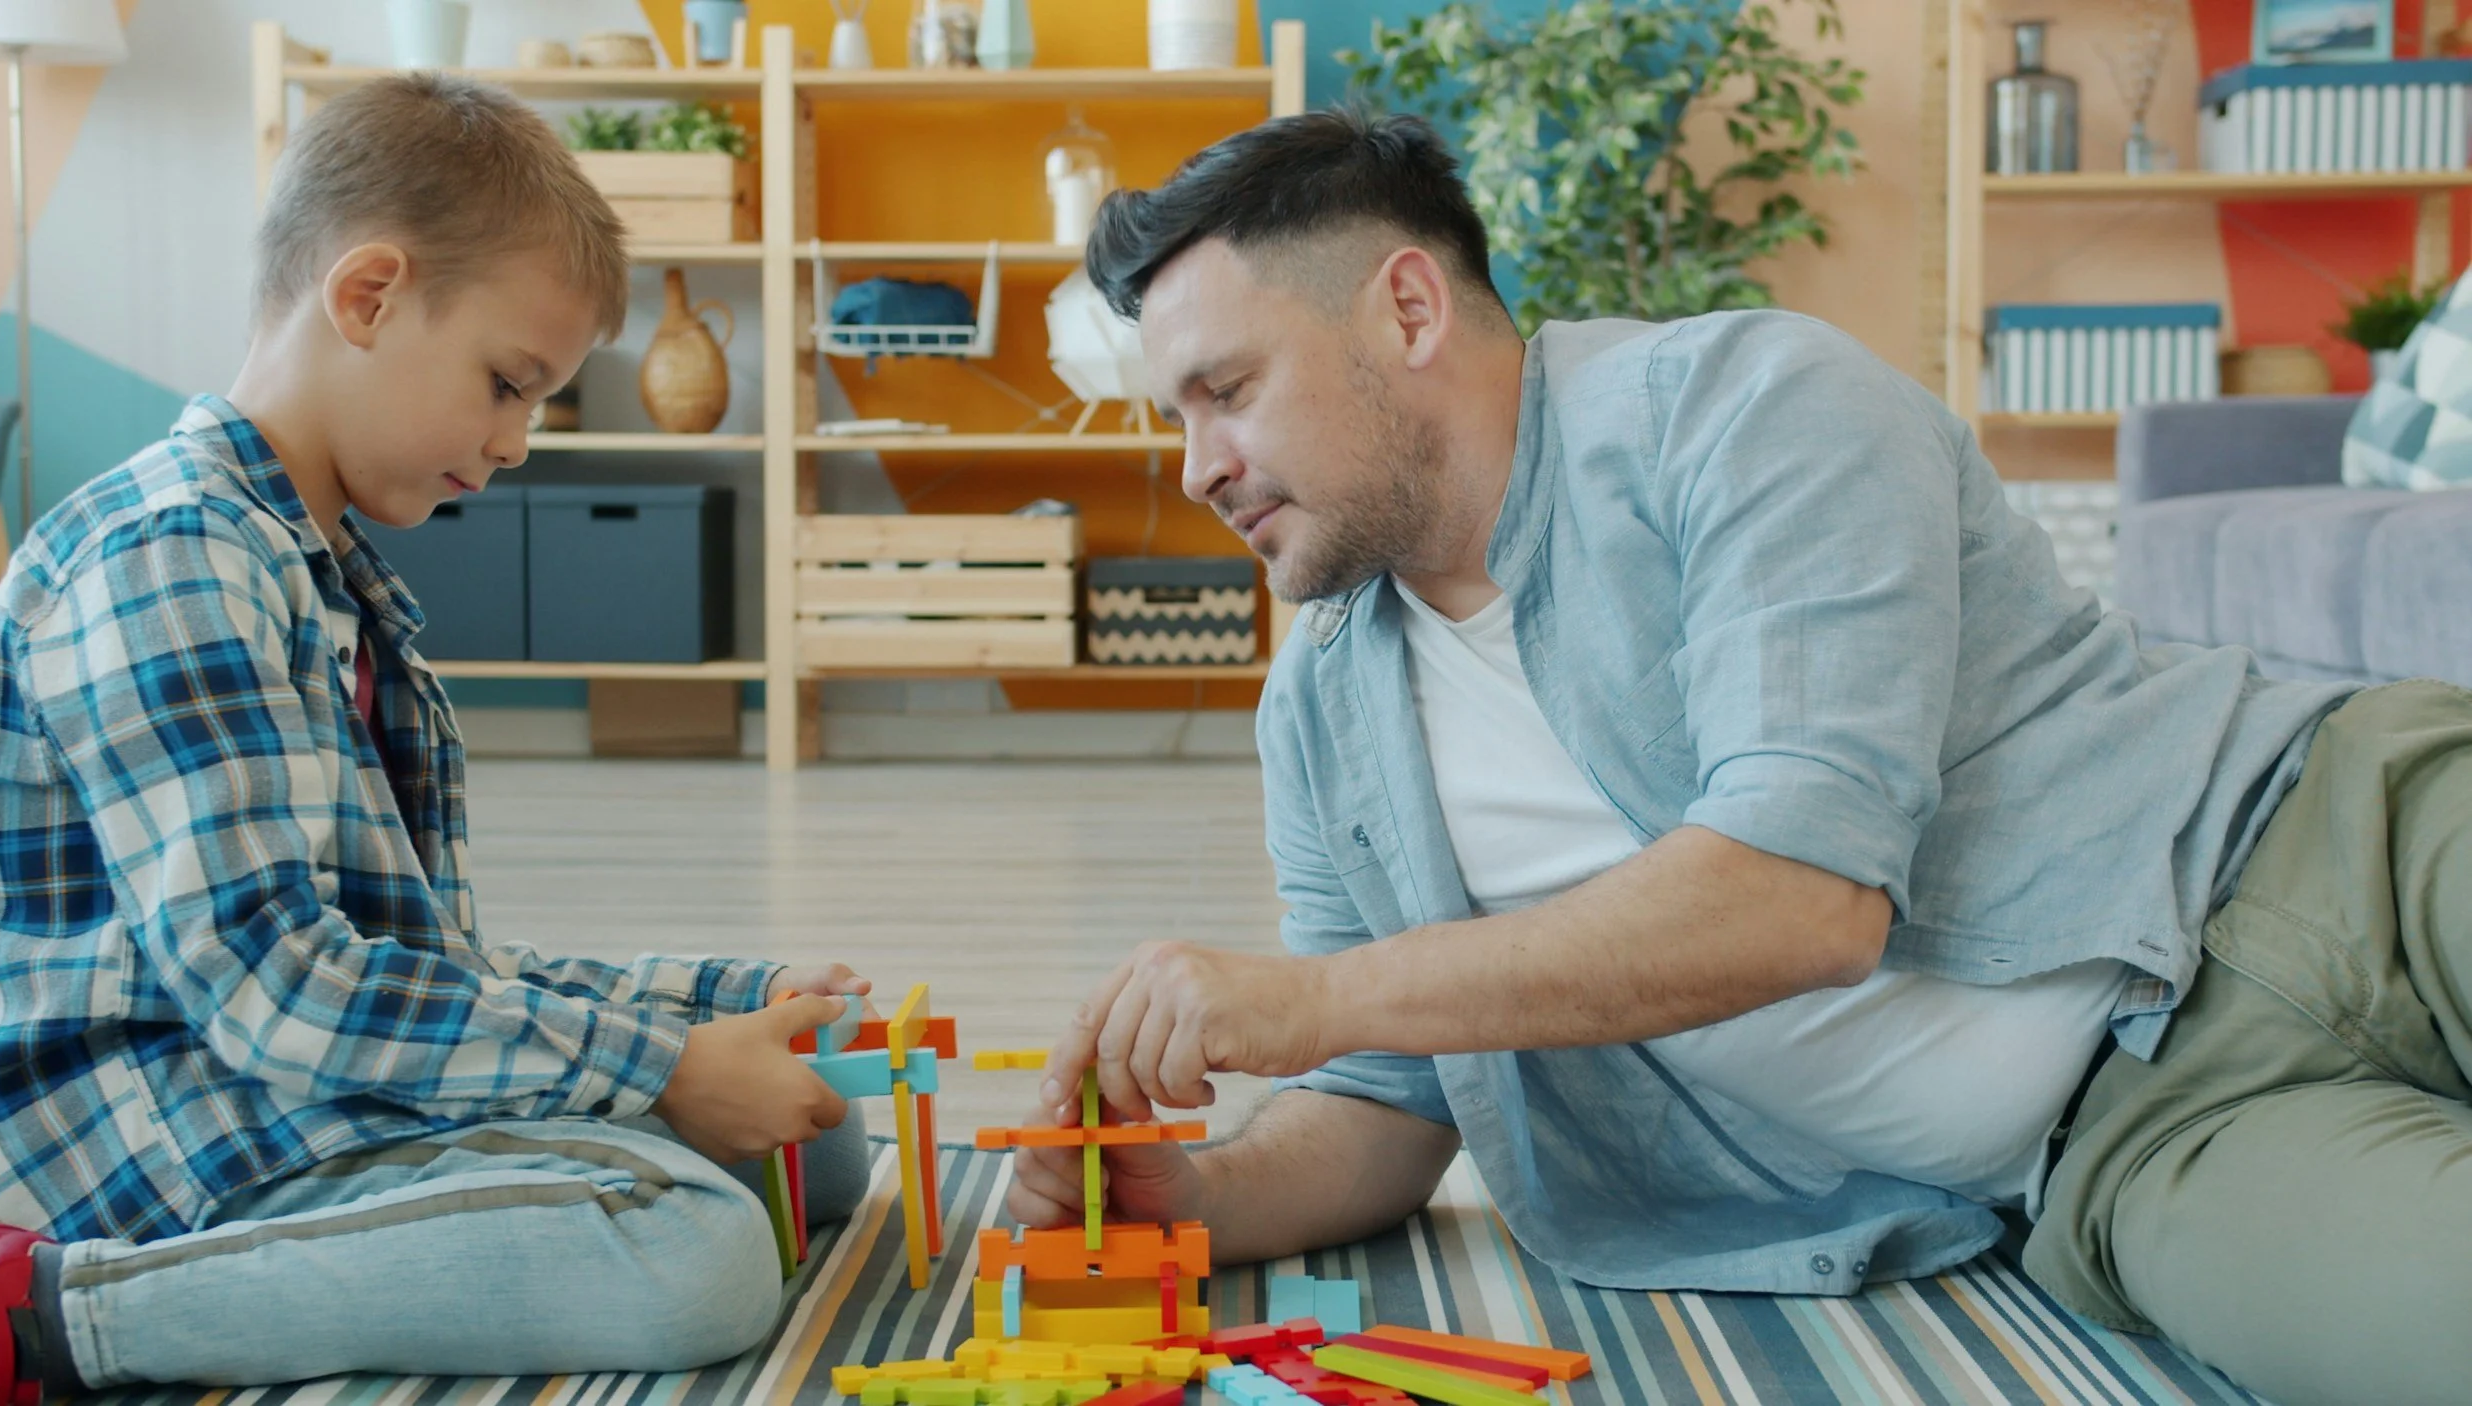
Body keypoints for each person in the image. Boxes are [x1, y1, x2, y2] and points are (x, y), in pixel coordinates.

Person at [1009, 108, 2472, 1406]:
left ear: (1405, 309)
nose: (1197, 465)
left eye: (1226, 390)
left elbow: (1801, 896)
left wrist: (1311, 995)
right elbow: (1392, 1102)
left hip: (2341, 839)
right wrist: (1190, 1195)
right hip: (2142, 1143)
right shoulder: (1321, 717)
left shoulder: (1743, 408)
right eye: (1174, 416)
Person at [0, 74, 864, 1400]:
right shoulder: (171, 558)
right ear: (370, 295)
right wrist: (662, 1062)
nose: (513, 444)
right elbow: (278, 985)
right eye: (507, 385)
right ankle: (57, 1314)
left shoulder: (325, 573)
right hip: (144, 1128)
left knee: (821, 1118)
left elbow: (409, 962)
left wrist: (700, 999)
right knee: (696, 1252)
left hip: (271, 1075)